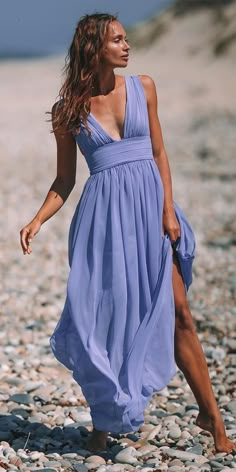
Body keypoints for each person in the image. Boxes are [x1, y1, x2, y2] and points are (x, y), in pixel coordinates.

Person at [20, 13, 235, 454]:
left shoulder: (144, 87)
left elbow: (158, 153)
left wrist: (168, 212)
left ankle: (213, 420)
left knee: (179, 312)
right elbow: (64, 182)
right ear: (94, 47)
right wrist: (38, 219)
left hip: (152, 216)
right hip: (104, 226)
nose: (126, 45)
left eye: (126, 38)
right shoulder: (69, 110)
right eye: (117, 39)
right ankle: (103, 422)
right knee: (106, 322)